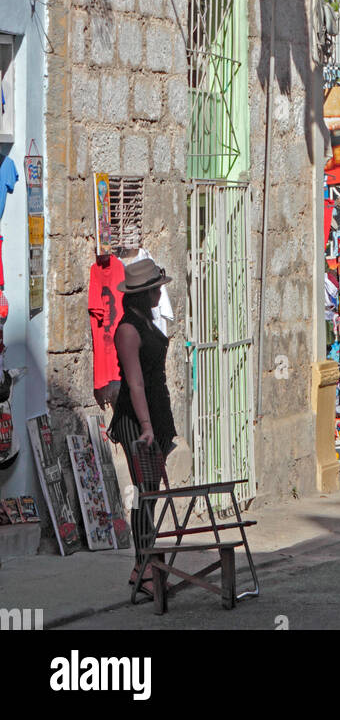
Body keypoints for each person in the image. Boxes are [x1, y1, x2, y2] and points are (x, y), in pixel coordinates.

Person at [108, 253, 177, 598]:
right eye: (154, 291)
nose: (158, 296)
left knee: (151, 493)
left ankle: (145, 564)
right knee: (143, 491)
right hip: (135, 418)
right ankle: (143, 564)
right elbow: (134, 383)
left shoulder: (147, 323)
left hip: (155, 410)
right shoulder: (127, 330)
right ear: (143, 294)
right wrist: (147, 427)